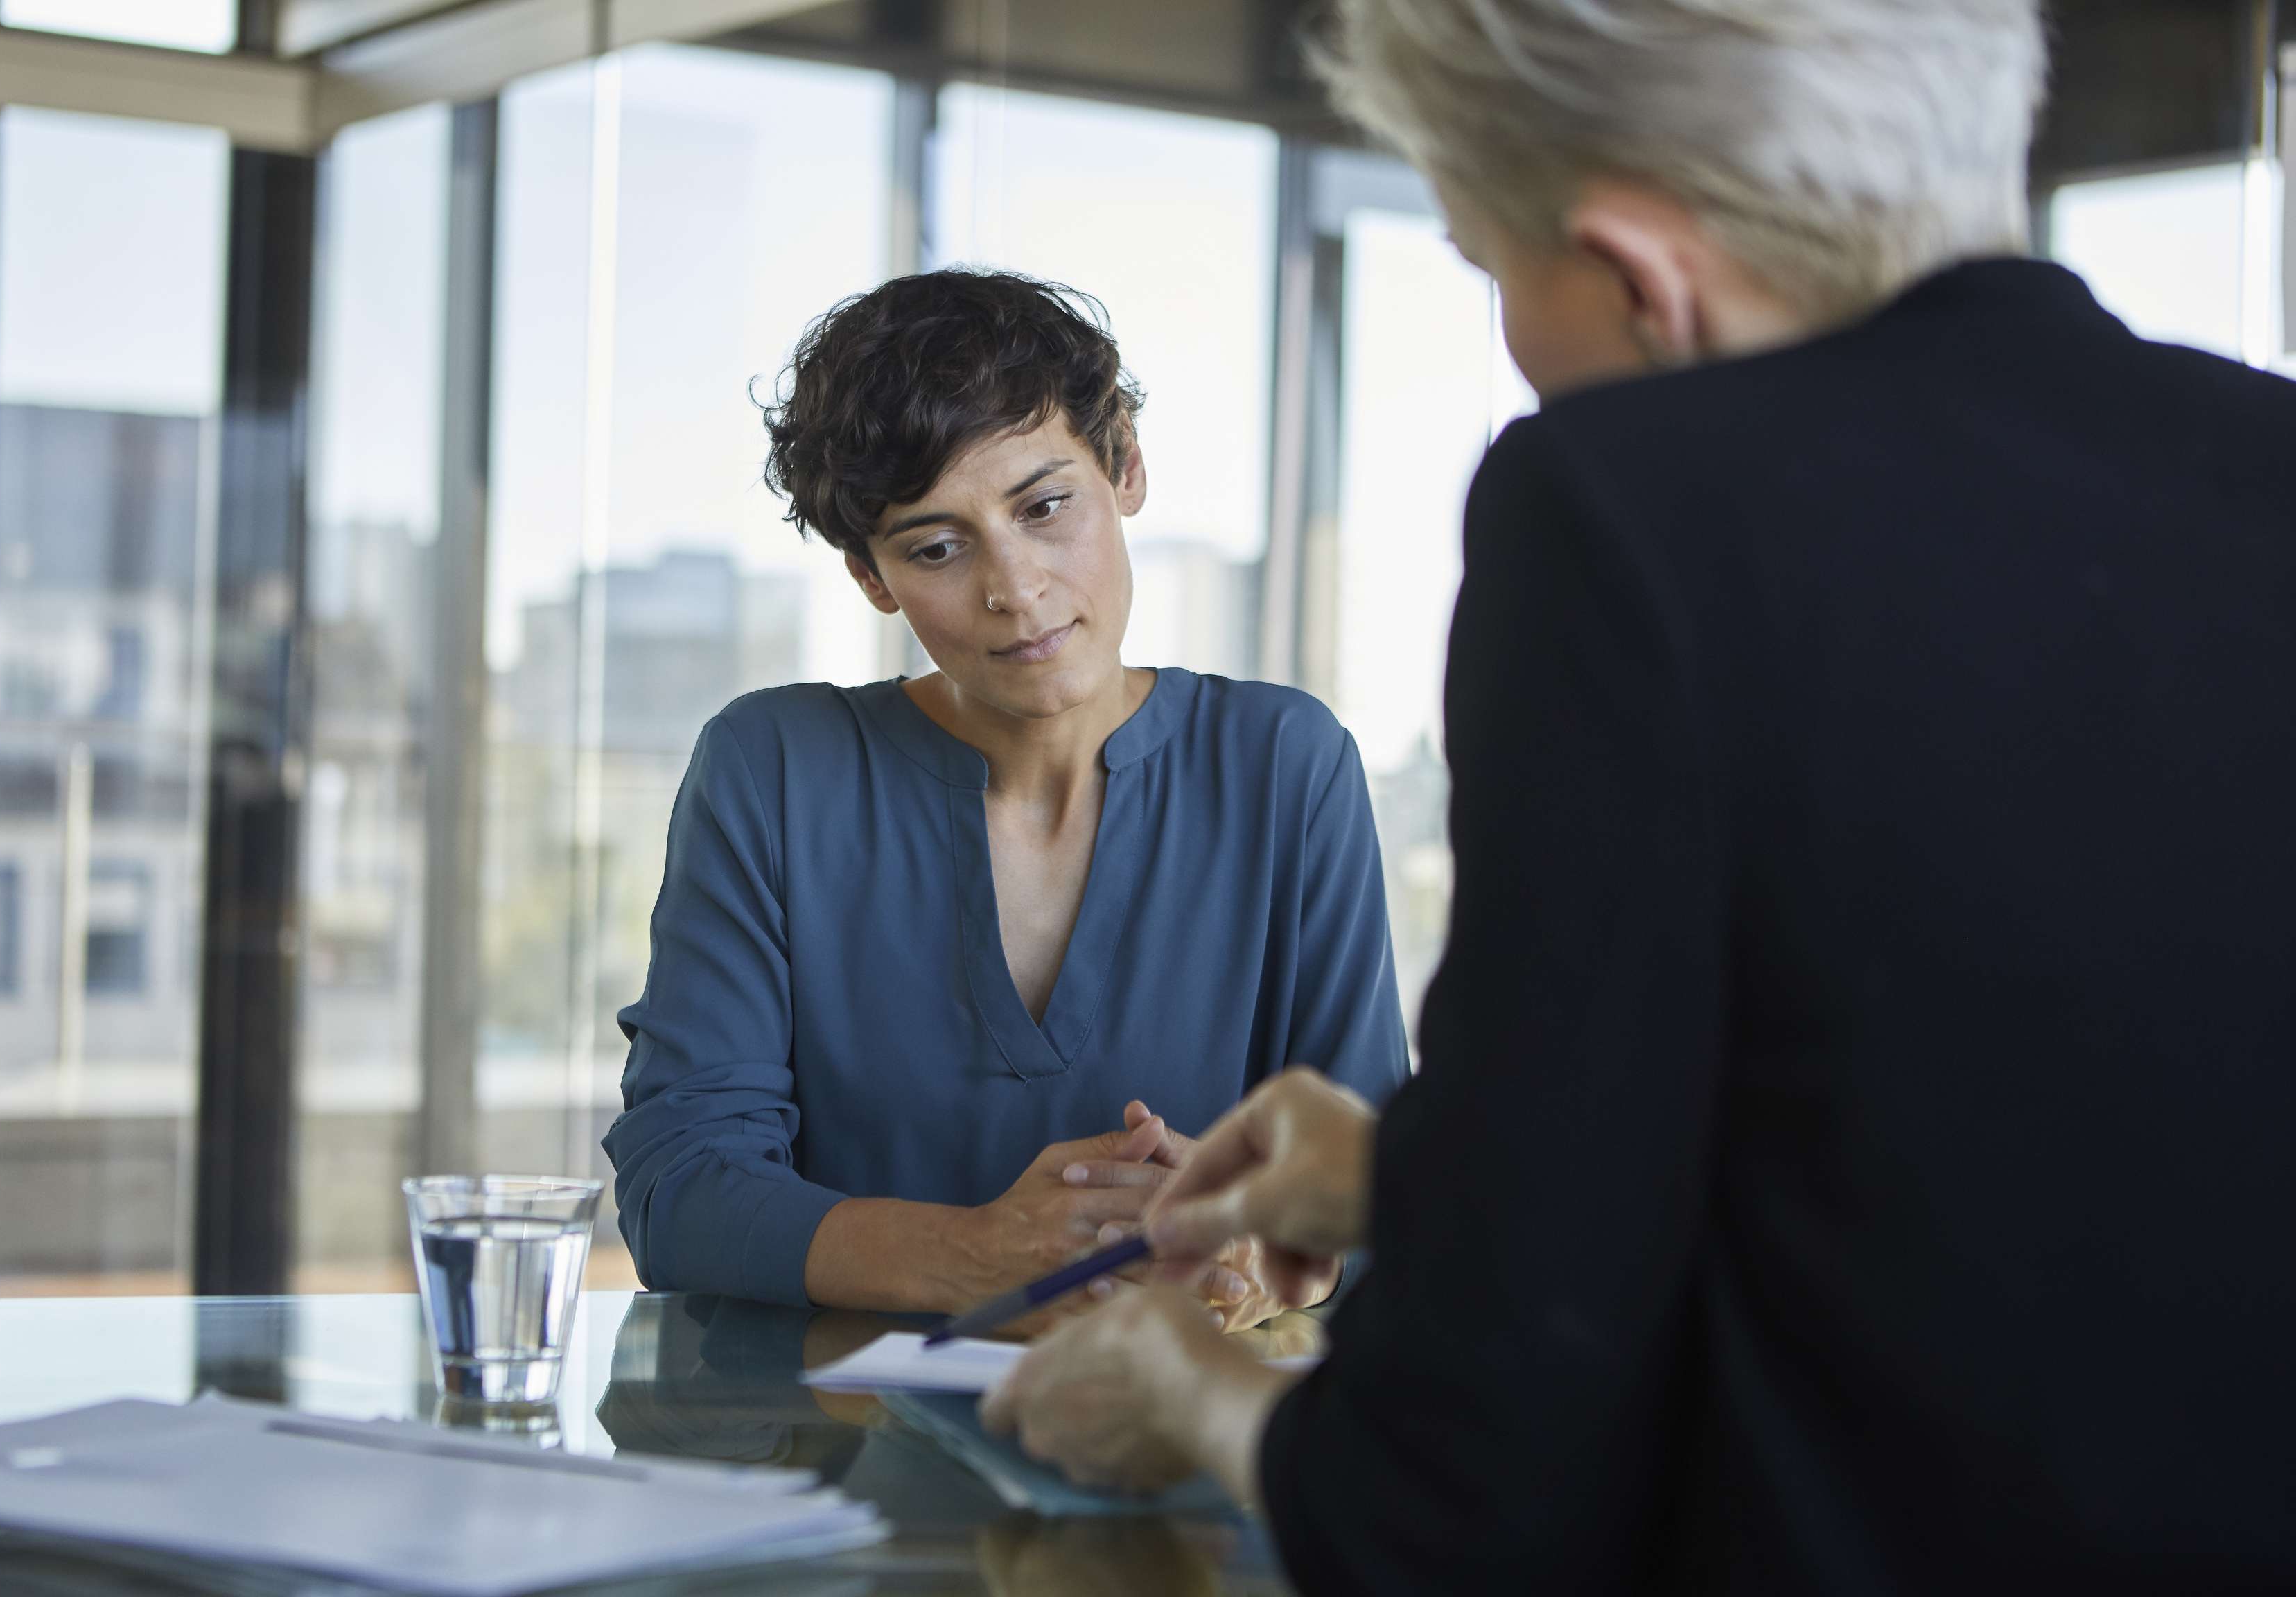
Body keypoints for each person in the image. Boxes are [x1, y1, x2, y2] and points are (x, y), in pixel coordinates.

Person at [984, 0, 2296, 1588]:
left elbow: (1467, 1494)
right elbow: (2008, 1154)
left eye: (1492, 273)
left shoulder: (1625, 516)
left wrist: (1206, 1401)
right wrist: (1424, 1178)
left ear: (1639, 277)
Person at [604, 270, 1409, 1323]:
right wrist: (975, 1255)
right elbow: (679, 1193)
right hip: (841, 1465)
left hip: (1180, 1454)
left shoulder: (1285, 767)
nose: (1014, 588)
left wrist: (1266, 1248)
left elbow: (1385, 1207)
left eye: (1044, 507)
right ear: (871, 577)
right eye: (937, 547)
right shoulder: (773, 770)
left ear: (1124, 465)